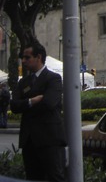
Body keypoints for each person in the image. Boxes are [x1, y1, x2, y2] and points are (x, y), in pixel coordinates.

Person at [10, 42, 66, 182]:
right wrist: (31, 101)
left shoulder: (53, 78)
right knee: (33, 177)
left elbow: (49, 103)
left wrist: (26, 105)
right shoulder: (24, 82)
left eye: (27, 57)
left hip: (49, 139)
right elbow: (14, 106)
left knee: (55, 176)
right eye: (22, 57)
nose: (23, 61)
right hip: (29, 141)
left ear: (38, 57)